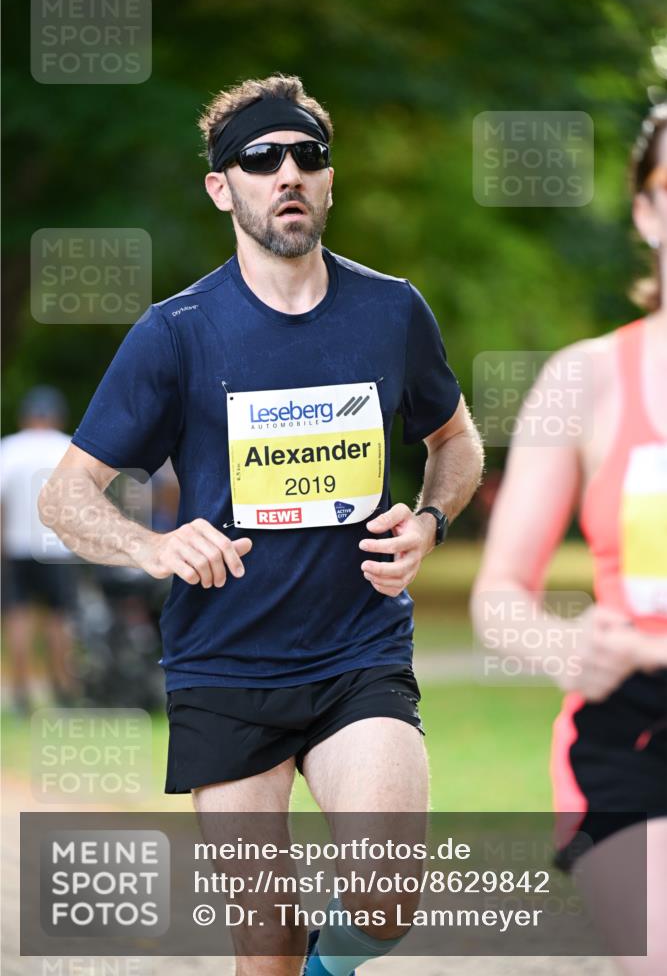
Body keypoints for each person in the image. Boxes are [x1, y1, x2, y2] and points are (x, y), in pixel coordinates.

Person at [39, 73, 484, 976]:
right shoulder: (176, 331)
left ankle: (333, 962)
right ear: (221, 186)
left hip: (356, 650)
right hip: (224, 663)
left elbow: (457, 440)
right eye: (260, 158)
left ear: (328, 179)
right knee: (265, 939)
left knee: (388, 890)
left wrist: (430, 522)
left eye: (306, 156)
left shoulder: (391, 310)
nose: (287, 172)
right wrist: (152, 544)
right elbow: (65, 497)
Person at [471, 104, 667, 974]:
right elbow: (497, 595)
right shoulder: (581, 380)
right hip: (635, 726)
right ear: (644, 212)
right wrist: (559, 645)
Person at [1, 385, 80, 713]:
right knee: (59, 618)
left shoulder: (9, 448)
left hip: (18, 546)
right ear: (57, 416)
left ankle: (20, 691)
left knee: (17, 616)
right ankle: (62, 687)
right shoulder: (67, 448)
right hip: (58, 546)